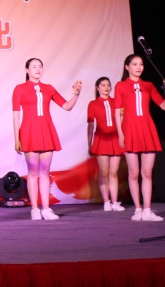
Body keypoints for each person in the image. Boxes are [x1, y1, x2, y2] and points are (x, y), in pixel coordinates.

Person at [12, 58, 82, 221]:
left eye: (40, 67)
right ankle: (35, 209)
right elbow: (16, 115)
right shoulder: (20, 89)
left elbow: (67, 106)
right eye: (34, 67)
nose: (38, 69)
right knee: (33, 172)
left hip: (46, 131)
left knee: (45, 172)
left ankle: (46, 208)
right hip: (29, 132)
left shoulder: (48, 88)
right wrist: (17, 139)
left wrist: (76, 93)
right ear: (27, 70)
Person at [114, 53, 165, 222]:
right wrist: (120, 133)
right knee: (134, 173)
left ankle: (148, 210)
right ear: (127, 67)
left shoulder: (148, 85)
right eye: (134, 64)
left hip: (147, 129)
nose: (138, 67)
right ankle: (138, 210)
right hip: (129, 130)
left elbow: (164, 106)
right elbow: (117, 111)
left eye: (141, 64)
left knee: (147, 172)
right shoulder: (120, 86)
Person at [86, 76, 125, 212]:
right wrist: (89, 143)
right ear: (97, 88)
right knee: (104, 173)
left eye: (108, 85)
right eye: (103, 85)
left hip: (115, 138)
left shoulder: (116, 102)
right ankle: (106, 201)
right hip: (101, 139)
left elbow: (121, 120)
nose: (106, 87)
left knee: (114, 173)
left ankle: (115, 202)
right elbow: (91, 125)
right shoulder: (93, 104)